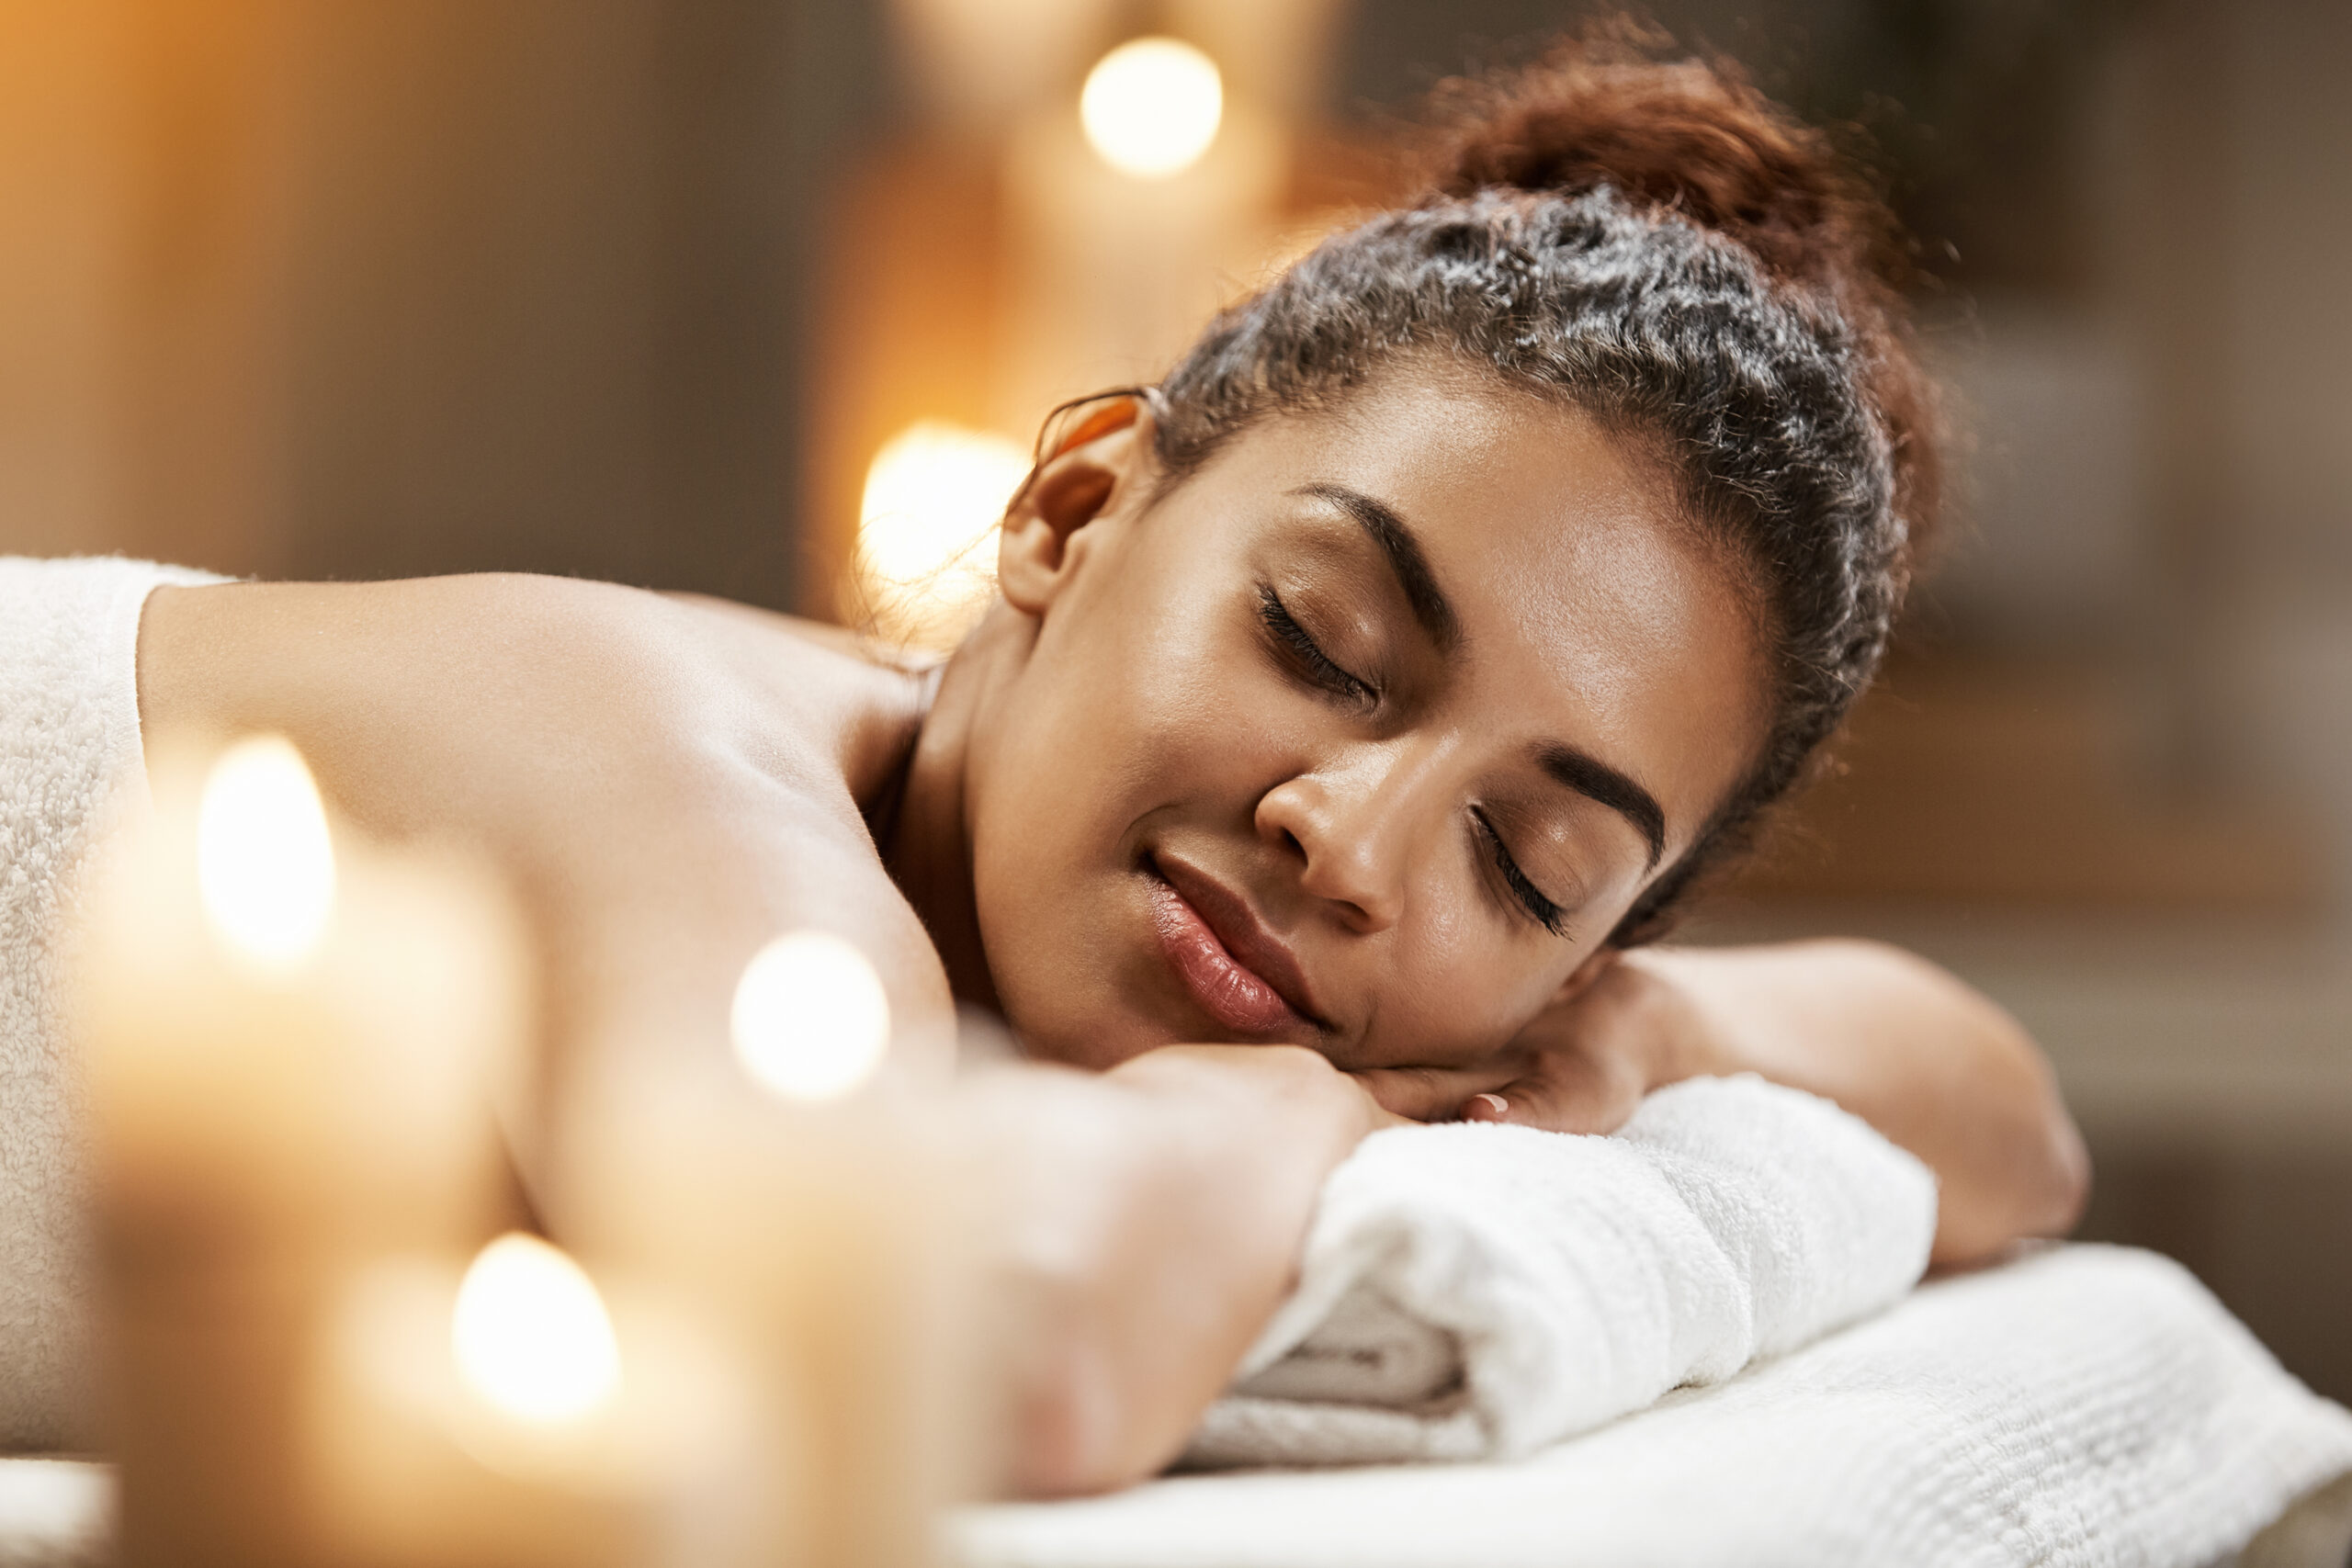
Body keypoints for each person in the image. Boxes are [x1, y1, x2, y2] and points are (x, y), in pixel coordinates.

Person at [10, 38, 2086, 1490]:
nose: (1349, 843)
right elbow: (996, 1349)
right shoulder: (651, 753)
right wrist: (1295, 1091)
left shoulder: (1491, 994)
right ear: (1074, 508)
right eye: (1321, 643)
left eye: (1528, 860)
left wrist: (1609, 1033)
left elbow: (2000, 1116)